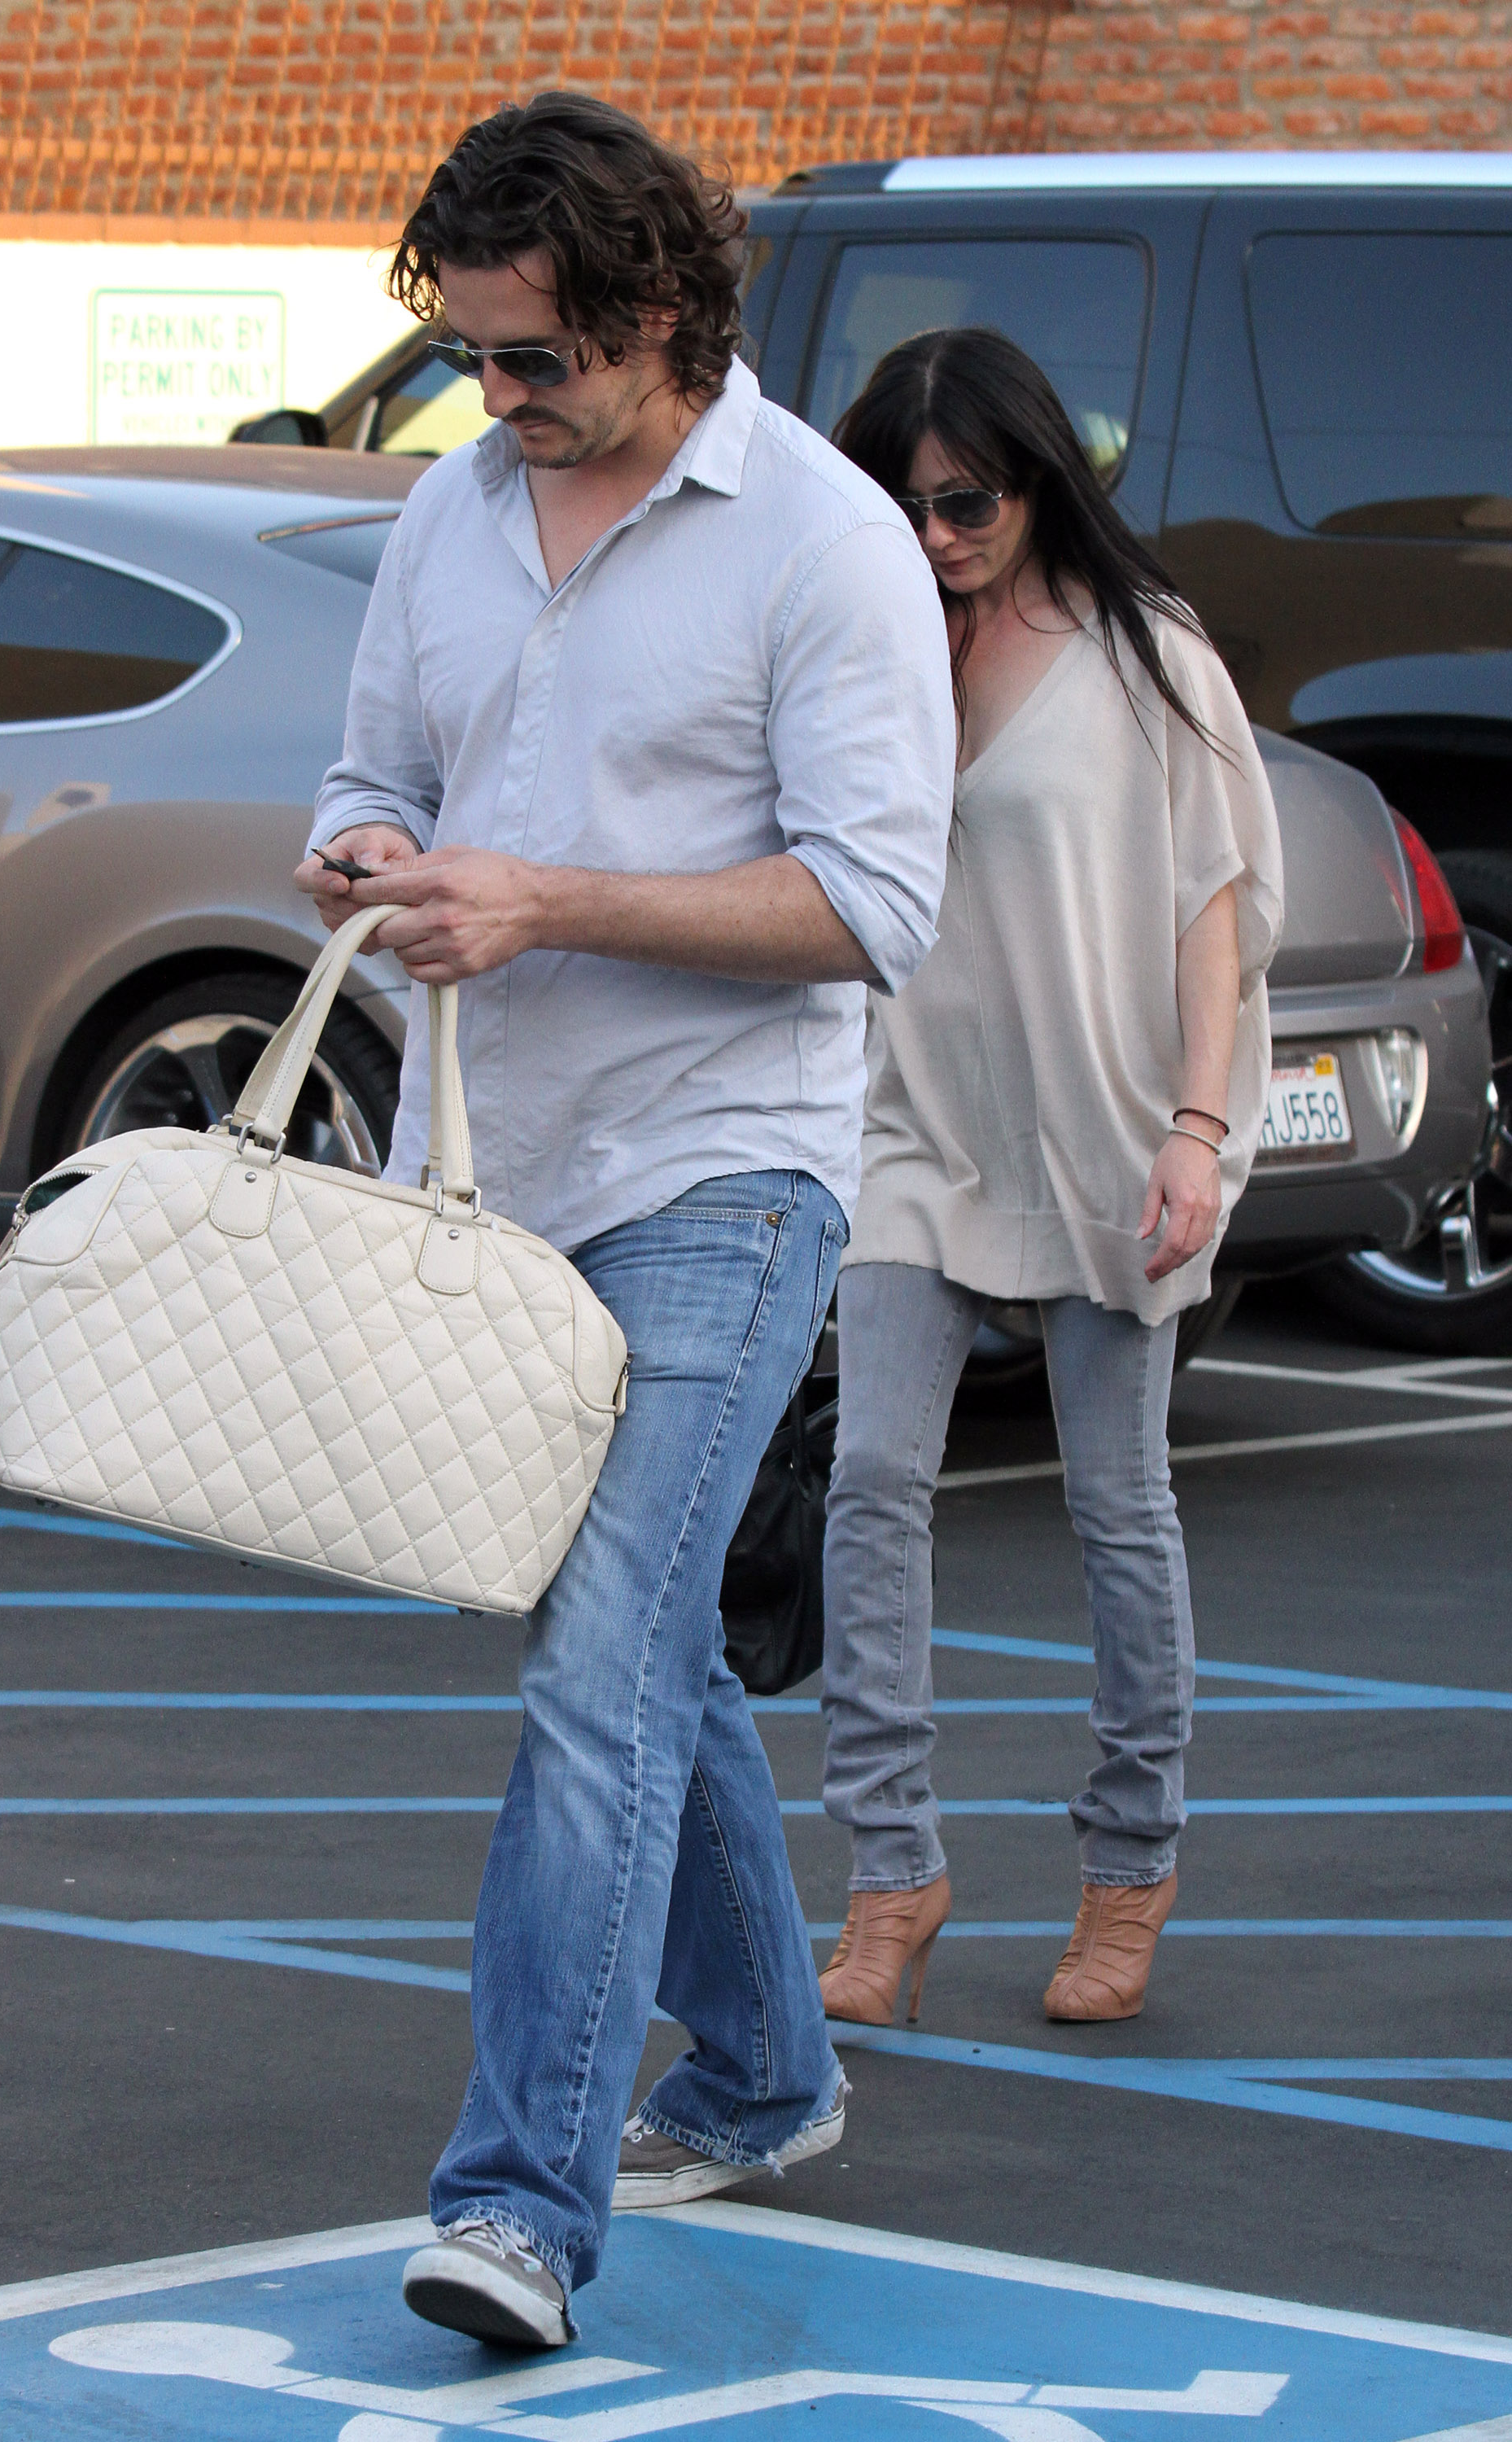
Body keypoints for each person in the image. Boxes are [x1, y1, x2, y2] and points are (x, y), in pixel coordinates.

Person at [295, 94, 954, 2348]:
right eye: (470, 355)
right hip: (484, 1179)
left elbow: (874, 905)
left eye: (526, 359)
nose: (493, 400)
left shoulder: (828, 544)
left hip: (719, 1172)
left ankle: (512, 2211)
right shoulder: (452, 516)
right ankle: (765, 2070)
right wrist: (368, 854)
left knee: (594, 1672)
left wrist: (545, 895)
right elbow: (373, 769)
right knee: (634, 1653)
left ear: (655, 316)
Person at [818, 326, 1283, 2033]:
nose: (937, 533)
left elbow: (1210, 908)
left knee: (1114, 1509)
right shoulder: (870, 647)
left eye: (967, 501)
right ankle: (887, 1875)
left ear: (1034, 483)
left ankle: (1126, 1863)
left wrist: (1195, 1129)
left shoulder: (1141, 653)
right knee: (867, 1482)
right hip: (911, 1123)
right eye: (903, 502)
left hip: (1107, 1129)